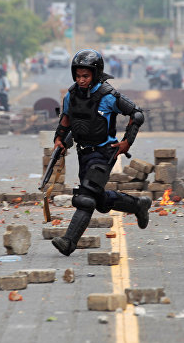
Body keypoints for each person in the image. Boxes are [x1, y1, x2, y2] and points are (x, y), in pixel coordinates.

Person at [51, 49, 151, 256]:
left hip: (105, 152)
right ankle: (138, 205)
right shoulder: (71, 94)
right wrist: (59, 139)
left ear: (95, 74)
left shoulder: (108, 95)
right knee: (99, 199)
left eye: (85, 76)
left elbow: (136, 114)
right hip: (83, 153)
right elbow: (66, 119)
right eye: (78, 76)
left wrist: (126, 143)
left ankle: (69, 242)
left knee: (86, 197)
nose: (81, 80)